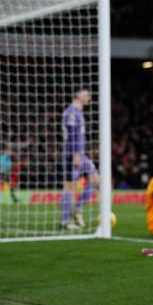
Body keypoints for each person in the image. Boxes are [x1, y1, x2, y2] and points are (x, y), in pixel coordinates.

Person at [61, 89, 100, 230]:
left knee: (95, 178)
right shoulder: (71, 112)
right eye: (86, 93)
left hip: (80, 154)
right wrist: (76, 154)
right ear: (77, 95)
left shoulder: (78, 112)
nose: (89, 96)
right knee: (69, 187)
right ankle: (65, 221)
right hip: (72, 154)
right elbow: (71, 135)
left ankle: (77, 209)